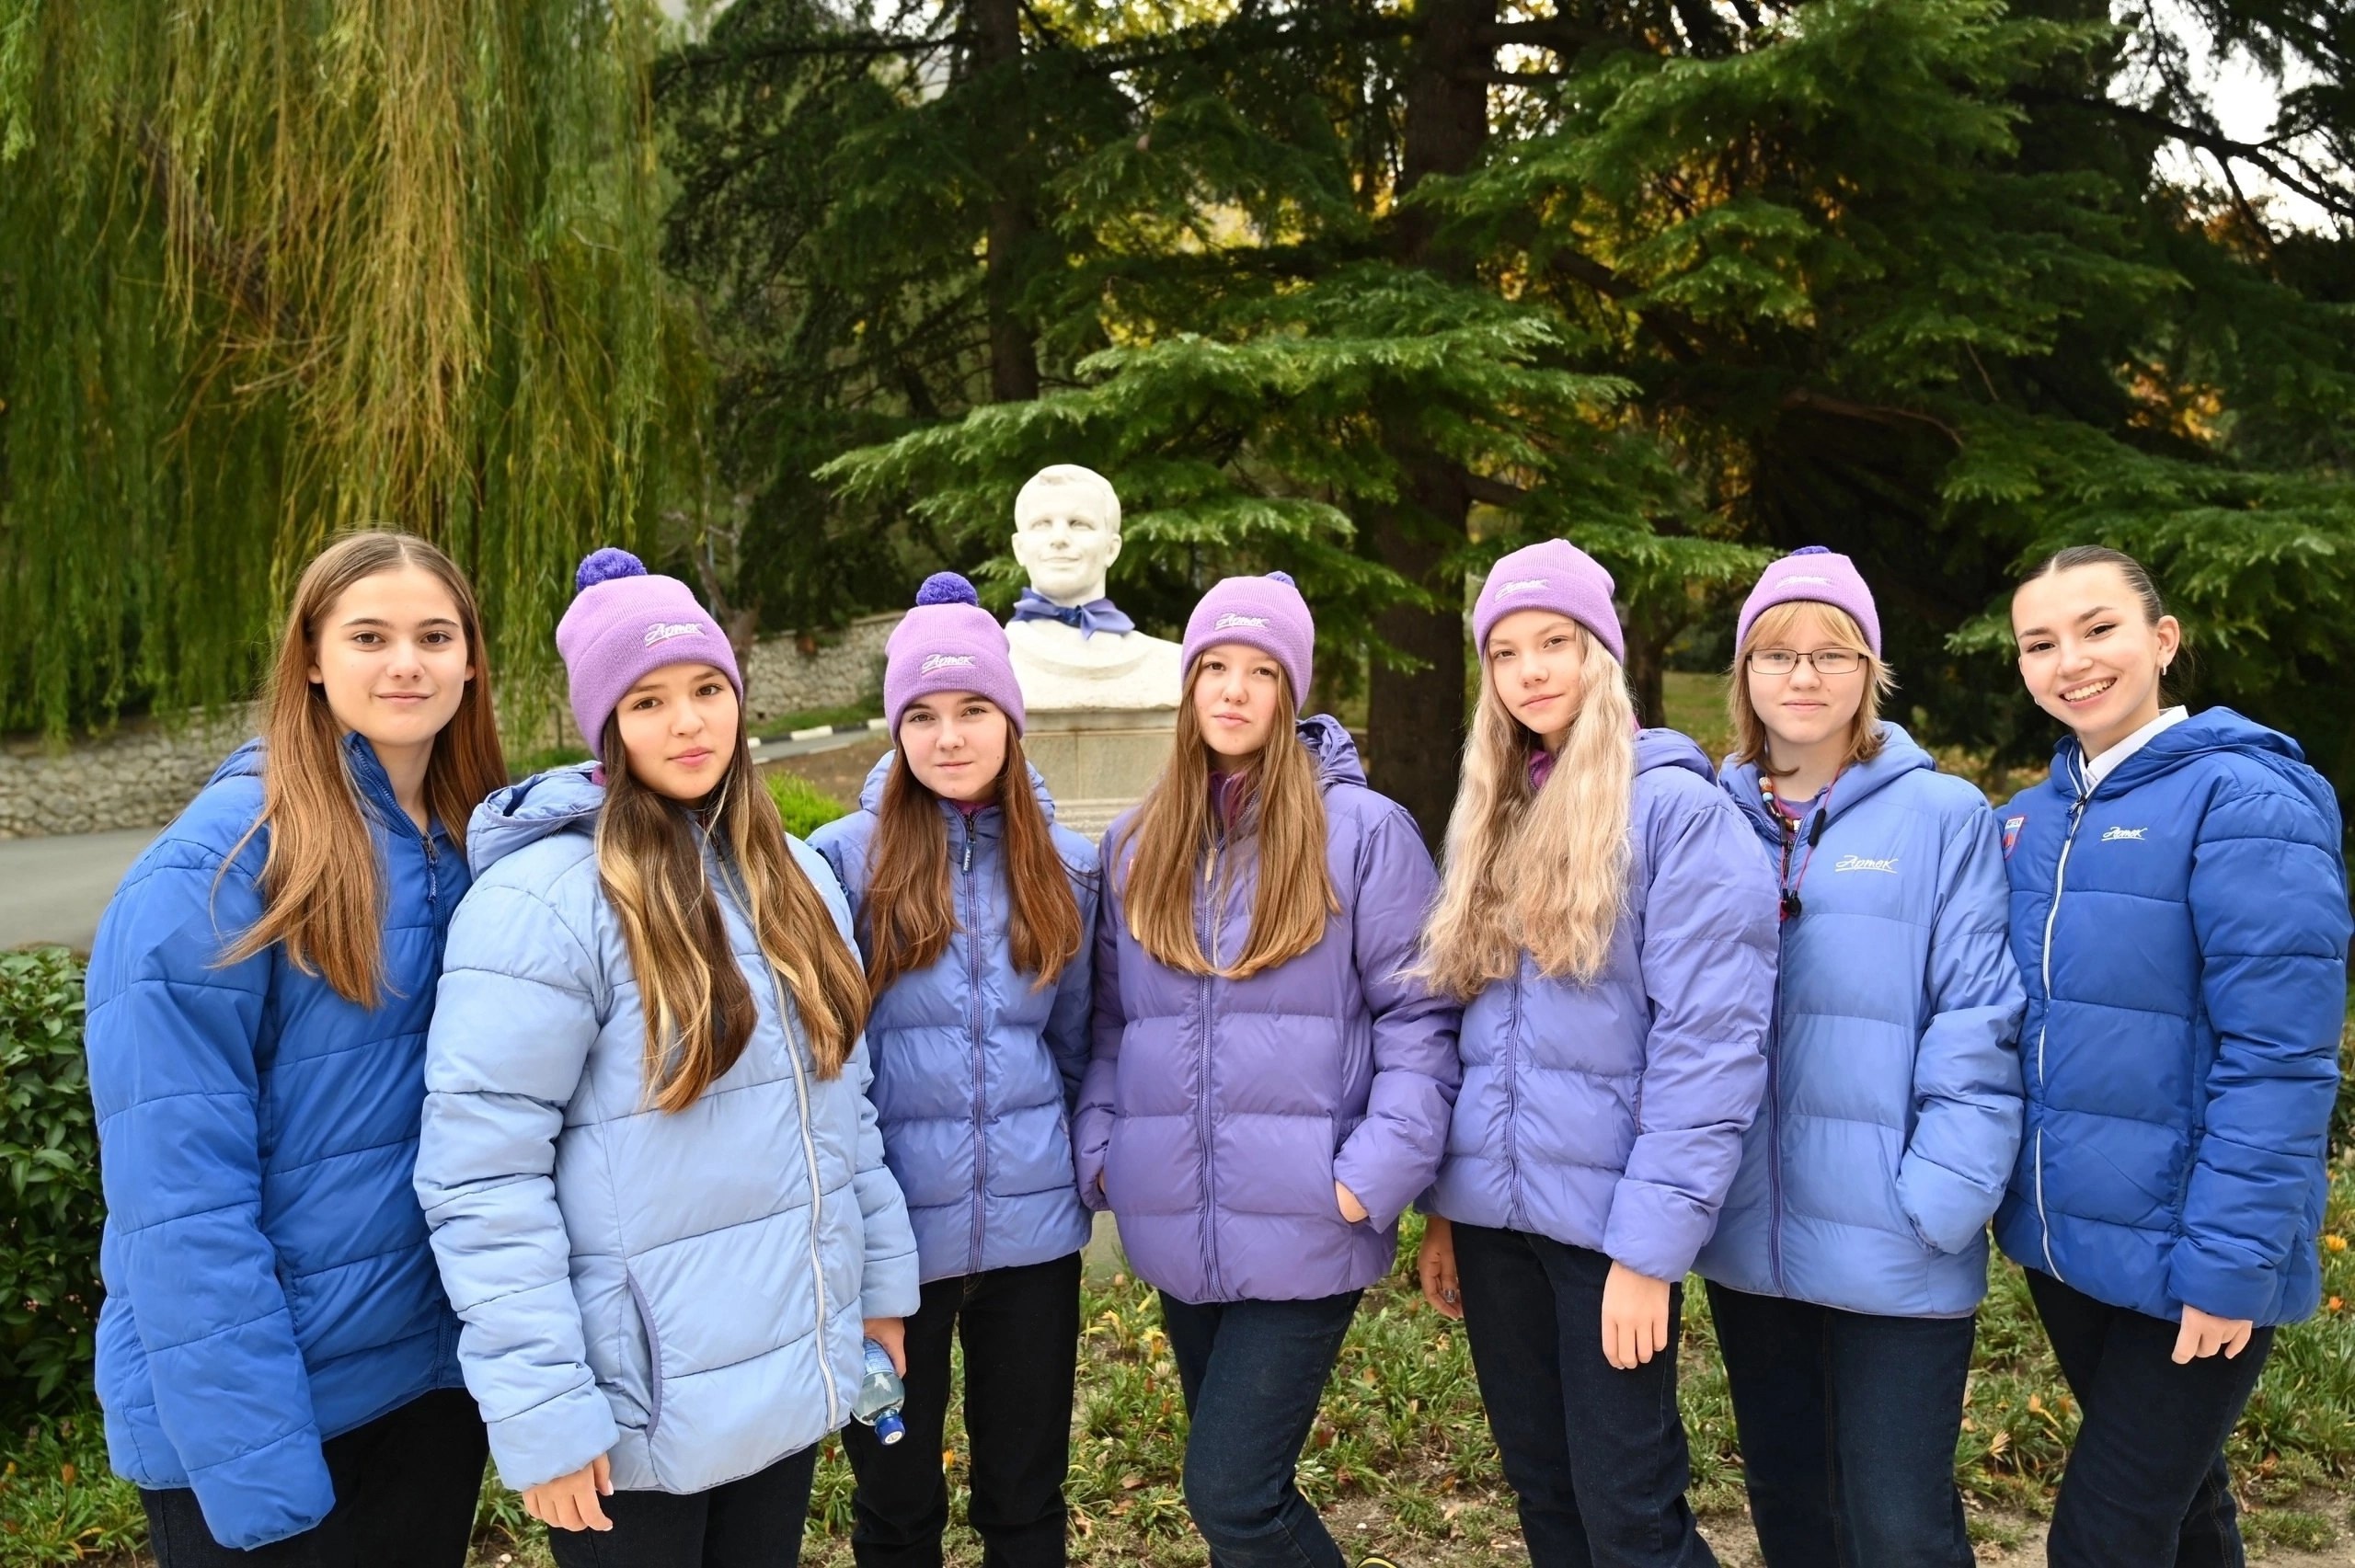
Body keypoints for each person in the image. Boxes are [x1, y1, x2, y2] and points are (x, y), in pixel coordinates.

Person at [416, 548, 919, 1568]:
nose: (688, 722)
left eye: (706, 689)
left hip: (784, 1373)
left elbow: (846, 1112)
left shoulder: (793, 878)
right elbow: (483, 1177)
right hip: (632, 1414)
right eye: (648, 701)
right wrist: (544, 1411)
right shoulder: (542, 902)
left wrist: (878, 1291)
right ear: (606, 723)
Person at [86, 531, 505, 1562]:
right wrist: (260, 1469)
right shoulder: (216, 868)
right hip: (263, 1418)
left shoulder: (480, 844)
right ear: (311, 657)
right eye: (368, 636)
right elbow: (179, 1199)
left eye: (434, 636)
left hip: (426, 1392)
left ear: (470, 660)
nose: (406, 663)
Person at [1074, 570, 1458, 1568]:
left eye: (1261, 670)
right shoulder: (1137, 841)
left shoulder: (1362, 833)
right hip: (1175, 1216)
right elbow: (1110, 1021)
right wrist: (1107, 1153)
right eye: (1215, 667)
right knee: (1235, 1507)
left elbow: (1420, 1018)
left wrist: (1366, 1177)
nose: (1235, 690)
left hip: (1307, 1220)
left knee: (1233, 1494)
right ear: (1190, 684)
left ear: (1291, 690)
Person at [1415, 538, 1777, 1568]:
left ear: (1600, 654)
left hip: (1609, 1228)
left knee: (1629, 1514)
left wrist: (1647, 1253)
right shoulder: (1492, 810)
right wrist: (1446, 1205)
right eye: (1506, 651)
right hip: (1496, 1225)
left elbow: (1710, 1048)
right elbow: (1472, 1030)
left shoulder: (1677, 814)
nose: (1530, 671)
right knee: (1543, 1490)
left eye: (1556, 643)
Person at [1996, 544, 2348, 1568]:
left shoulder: (2247, 800)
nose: (2071, 660)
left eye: (2098, 627)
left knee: (2102, 1537)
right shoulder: (2026, 820)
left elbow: (2279, 1055)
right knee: (2186, 1509)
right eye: (2040, 642)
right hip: (2067, 1244)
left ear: (2162, 640)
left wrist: (2229, 1264)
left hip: (2197, 1248)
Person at [1693, 547, 2025, 1567]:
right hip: (1750, 1236)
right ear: (1746, 673)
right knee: (1792, 1510)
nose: (1803, 675)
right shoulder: (1707, 813)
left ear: (1868, 670)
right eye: (1777, 653)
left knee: (1897, 1525)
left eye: (1831, 653)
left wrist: (1939, 1198)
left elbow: (1979, 1016)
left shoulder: (1943, 816)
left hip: (1897, 1233)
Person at [810, 573, 1098, 1568]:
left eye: (973, 709)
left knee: (1025, 1495)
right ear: (897, 730)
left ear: (1010, 720)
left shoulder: (1066, 865)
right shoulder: (842, 863)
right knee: (896, 1503)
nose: (949, 737)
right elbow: (828, 1060)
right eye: (922, 716)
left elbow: (1074, 1040)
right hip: (892, 1251)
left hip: (1032, 1242)